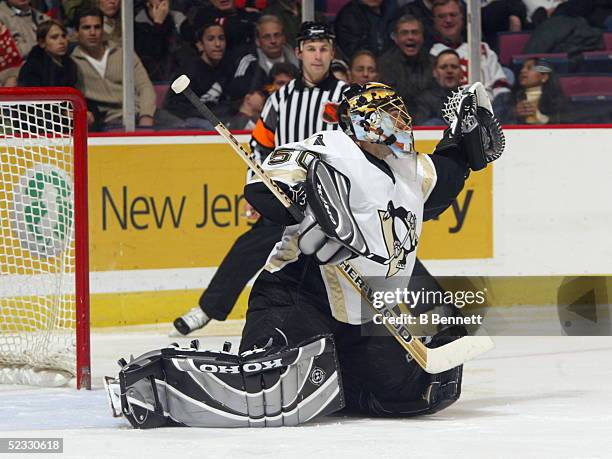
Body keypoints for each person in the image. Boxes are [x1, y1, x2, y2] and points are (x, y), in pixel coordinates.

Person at [107, 81, 504, 427]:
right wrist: (308, 210)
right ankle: (154, 383)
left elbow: (451, 173)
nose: (399, 125)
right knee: (272, 389)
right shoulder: (327, 148)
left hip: (363, 315)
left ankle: (332, 382)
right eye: (387, 118)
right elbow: (265, 189)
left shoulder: (412, 171)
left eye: (400, 116)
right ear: (362, 124)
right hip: (298, 297)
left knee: (420, 393)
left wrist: (463, 140)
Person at [172, 21, 348, 336]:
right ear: (298, 53)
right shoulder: (280, 100)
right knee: (251, 245)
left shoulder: (347, 97)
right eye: (311, 49)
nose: (318, 56)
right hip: (288, 196)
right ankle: (208, 309)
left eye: (323, 49)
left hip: (335, 198)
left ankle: (426, 305)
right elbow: (260, 147)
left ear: (332, 53)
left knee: (366, 250)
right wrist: (256, 192)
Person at [71, 7, 157, 130]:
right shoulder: (72, 63)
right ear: (76, 32)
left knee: (188, 127)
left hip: (143, 114)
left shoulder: (124, 53)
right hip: (111, 121)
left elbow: (145, 86)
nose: (92, 32)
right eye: (86, 28)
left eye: (97, 27)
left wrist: (146, 116)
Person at [429, 0, 511, 107]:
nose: (448, 20)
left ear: (463, 18)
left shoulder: (482, 48)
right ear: (434, 22)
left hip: (490, 111)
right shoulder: (429, 54)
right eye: (441, 16)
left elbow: (500, 85)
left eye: (453, 15)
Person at [163, 20, 235, 129]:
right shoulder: (189, 70)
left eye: (221, 38)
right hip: (188, 121)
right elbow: (173, 105)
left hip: (216, 118)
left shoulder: (227, 68)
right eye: (211, 39)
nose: (218, 44)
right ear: (200, 45)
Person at [377, 15, 433, 121]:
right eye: (404, 33)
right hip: (395, 121)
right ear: (396, 38)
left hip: (427, 122)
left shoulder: (433, 63)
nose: (410, 37)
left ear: (422, 37)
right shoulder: (383, 64)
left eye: (415, 32)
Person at [230, 15, 298, 100]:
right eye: (267, 37)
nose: (273, 41)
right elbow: (238, 94)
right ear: (258, 41)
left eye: (277, 35)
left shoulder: (300, 59)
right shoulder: (249, 62)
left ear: (284, 38)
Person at [134, 0, 187, 82]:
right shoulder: (138, 24)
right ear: (148, 3)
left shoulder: (177, 18)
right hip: (152, 79)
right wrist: (158, 23)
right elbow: (151, 55)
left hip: (178, 76)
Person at [0, 0, 47, 86]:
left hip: (43, 74)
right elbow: (12, 53)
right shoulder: (1, 17)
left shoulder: (42, 17)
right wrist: (44, 45)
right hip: (12, 78)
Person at [17, 19, 77, 87]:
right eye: (54, 37)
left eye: (63, 36)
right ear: (42, 43)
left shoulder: (71, 65)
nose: (62, 41)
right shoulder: (31, 69)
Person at [507, 58, 567, 125]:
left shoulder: (558, 100)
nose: (522, 71)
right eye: (522, 68)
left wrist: (543, 119)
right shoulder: (508, 97)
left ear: (544, 77)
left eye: (529, 68)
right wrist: (513, 113)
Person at [418, 48, 463, 125]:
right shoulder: (423, 100)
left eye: (454, 67)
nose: (449, 71)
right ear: (434, 72)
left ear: (461, 72)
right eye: (443, 67)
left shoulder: (468, 98)